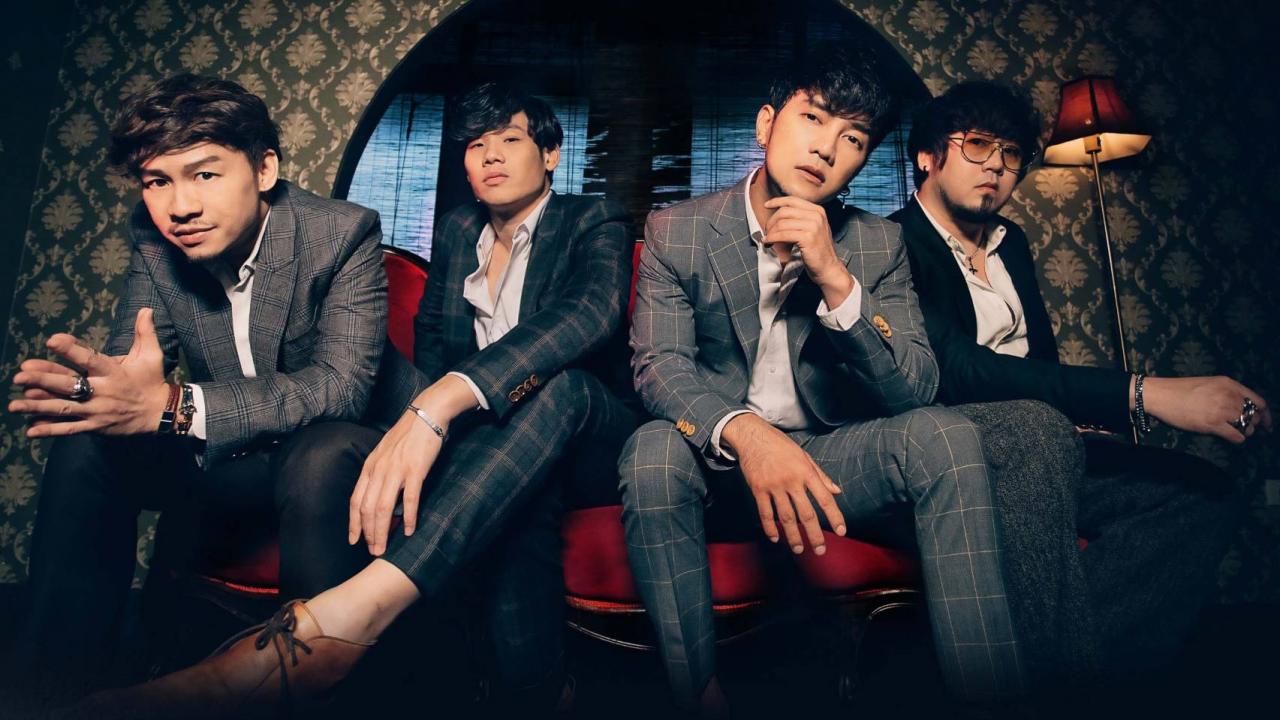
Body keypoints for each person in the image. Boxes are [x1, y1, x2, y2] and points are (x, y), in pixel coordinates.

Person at [72, 81, 638, 718]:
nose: (491, 157)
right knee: (514, 488)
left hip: (589, 431)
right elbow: (432, 344)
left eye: (509, 140)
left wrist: (438, 407)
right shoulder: (458, 231)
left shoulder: (593, 218)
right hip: (489, 439)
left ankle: (347, 622)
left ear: (552, 154)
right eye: (476, 145)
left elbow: (588, 314)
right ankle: (530, 694)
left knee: (559, 389)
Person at [619, 46, 1030, 716]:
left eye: (854, 138)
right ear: (765, 123)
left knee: (945, 435)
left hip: (827, 461)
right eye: (812, 118)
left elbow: (916, 391)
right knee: (651, 450)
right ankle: (698, 693)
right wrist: (749, 436)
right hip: (717, 463)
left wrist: (837, 280)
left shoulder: (877, 245)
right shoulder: (678, 230)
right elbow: (659, 366)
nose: (827, 148)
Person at [8, 73, 407, 703]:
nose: (179, 207)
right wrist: (109, 396)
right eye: (157, 182)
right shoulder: (155, 238)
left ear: (265, 168)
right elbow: (135, 365)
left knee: (321, 452)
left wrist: (173, 404)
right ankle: (54, 691)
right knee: (88, 447)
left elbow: (342, 388)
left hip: (342, 459)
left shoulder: (342, 232)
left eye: (204, 174)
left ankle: (304, 688)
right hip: (237, 456)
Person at [891, 80, 1266, 690]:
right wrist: (1143, 393)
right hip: (958, 450)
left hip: (1047, 440)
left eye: (1012, 153)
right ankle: (1067, 685)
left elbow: (1039, 355)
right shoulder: (890, 243)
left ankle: (1060, 672)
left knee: (1206, 494)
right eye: (978, 144)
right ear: (928, 156)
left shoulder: (1012, 242)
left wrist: (1078, 421)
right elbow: (955, 371)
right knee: (1036, 431)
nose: (997, 166)